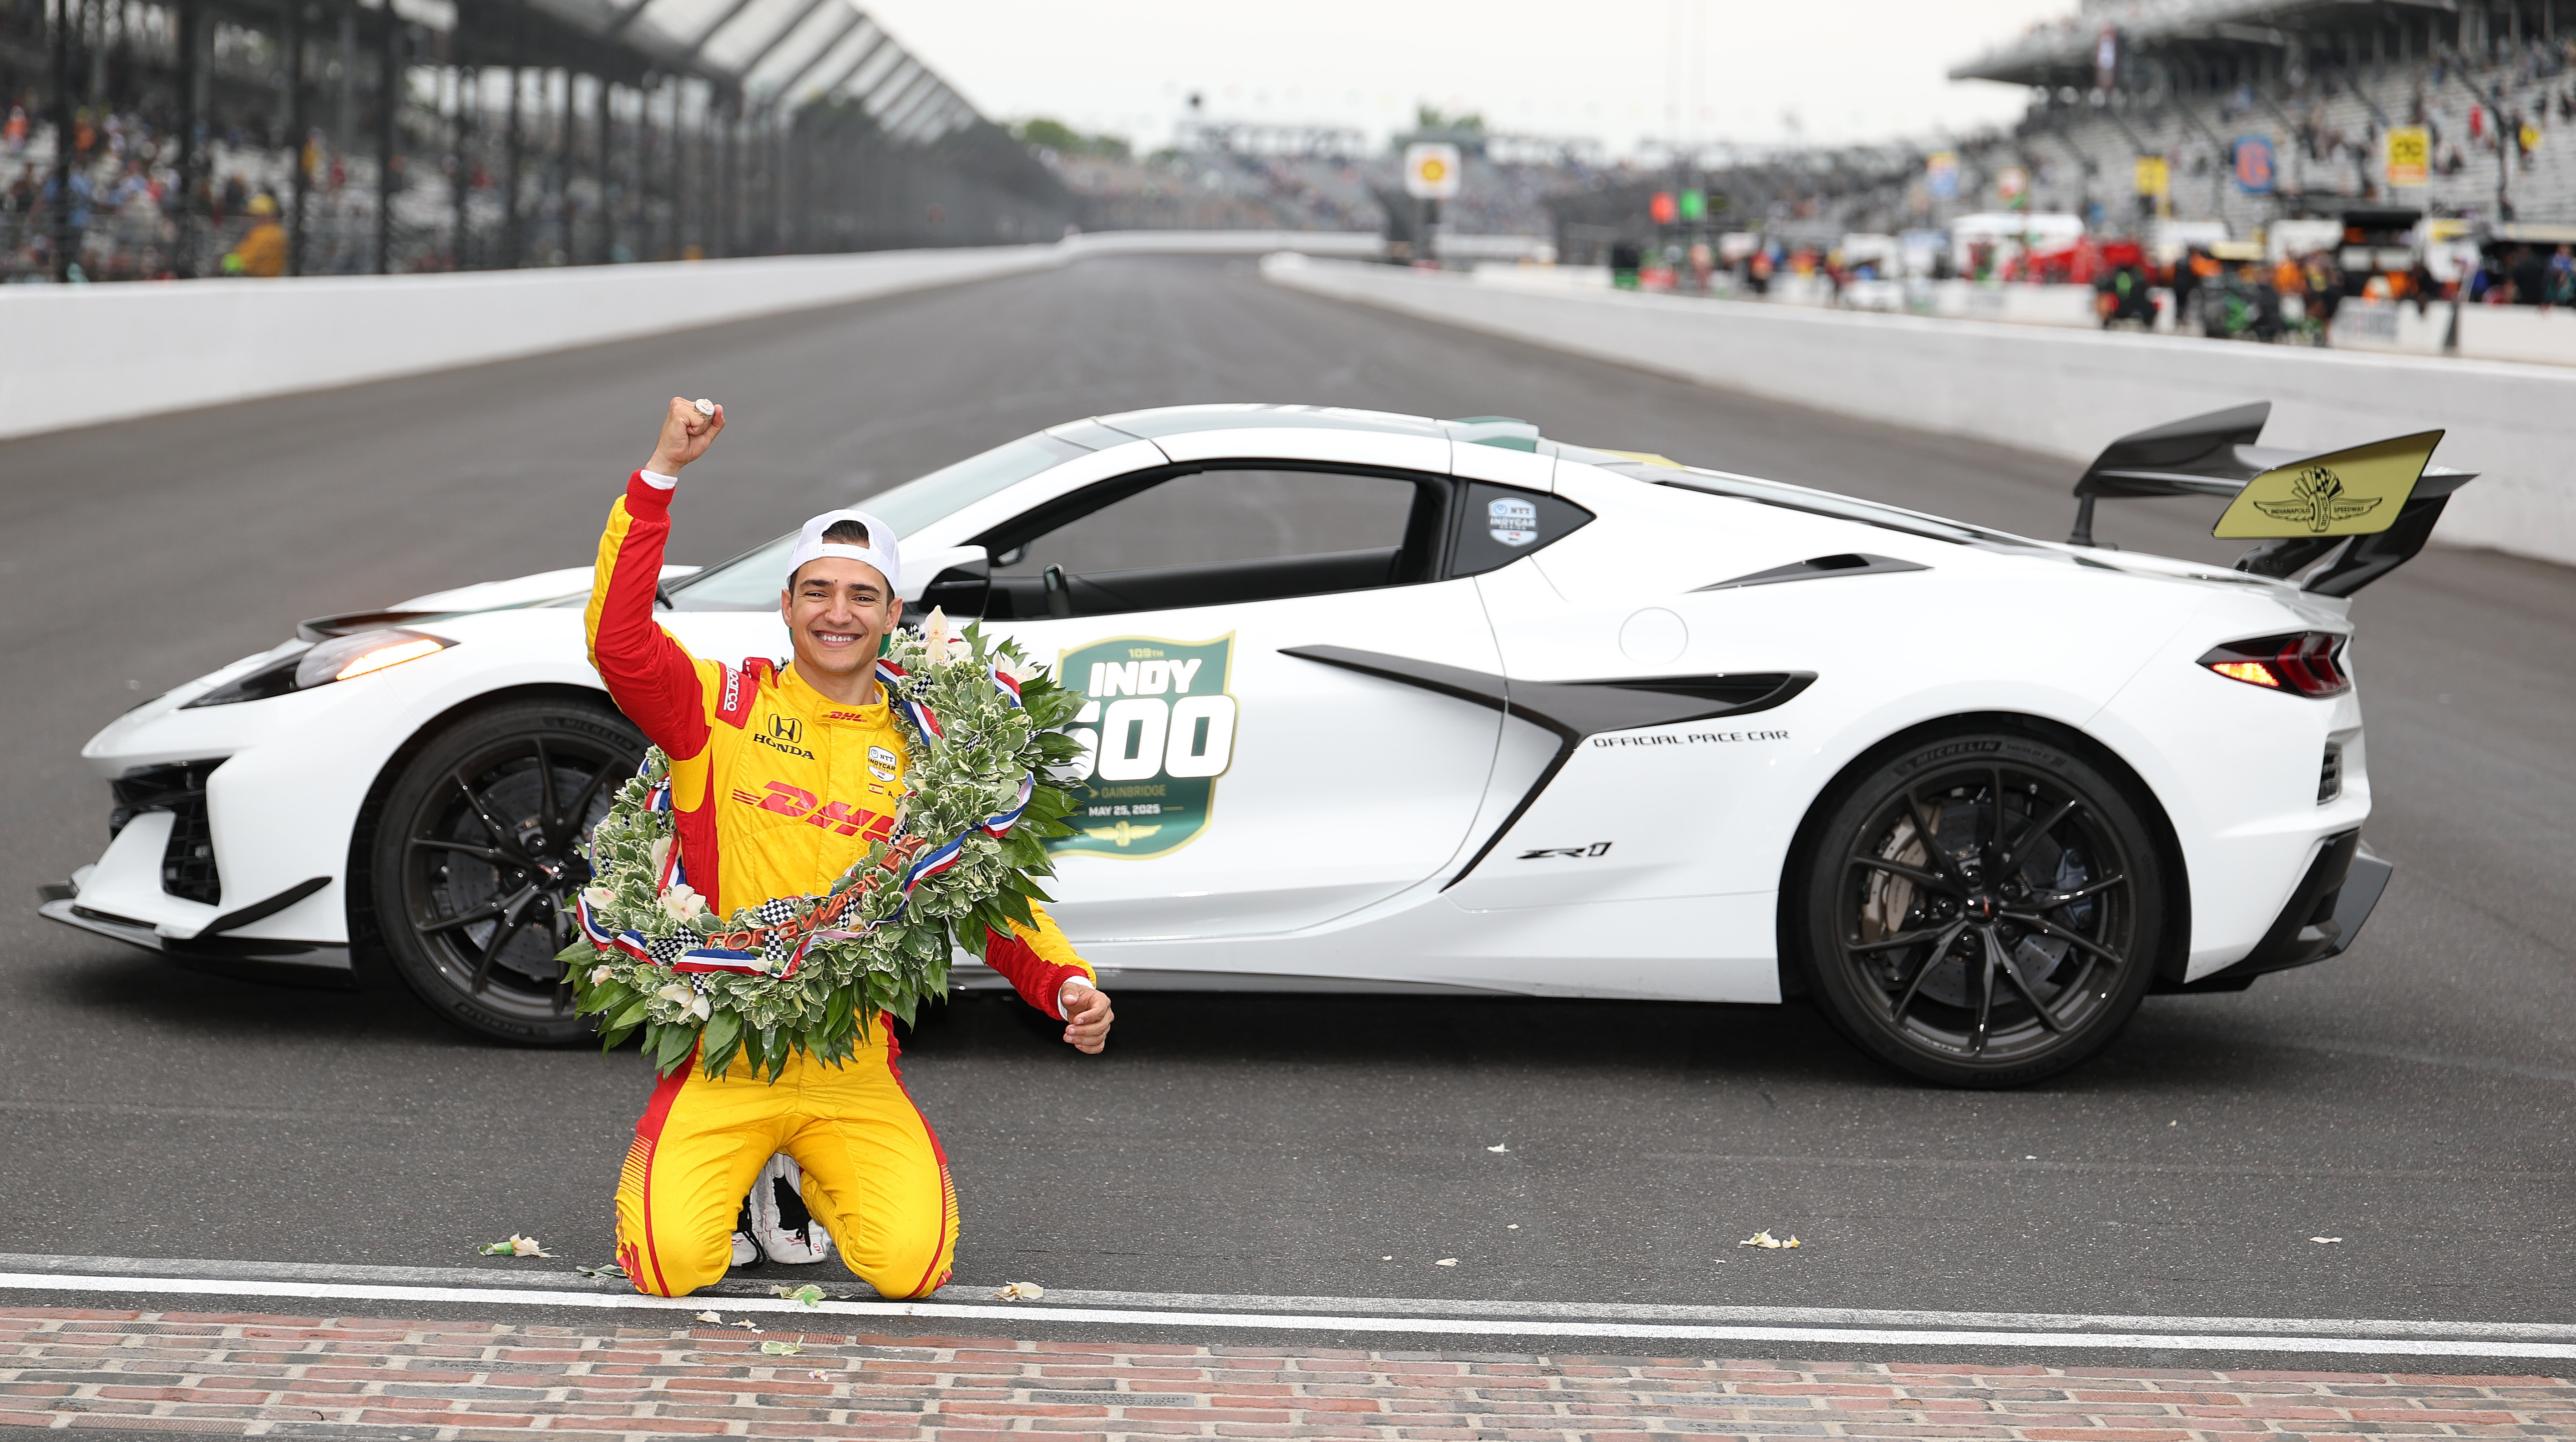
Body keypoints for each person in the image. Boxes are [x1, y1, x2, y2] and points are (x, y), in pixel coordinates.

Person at [587, 397, 1116, 1300]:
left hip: (851, 1062)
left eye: (861, 594)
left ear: (892, 612)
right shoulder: (720, 709)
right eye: (819, 591)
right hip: (729, 1054)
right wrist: (659, 479)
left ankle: (792, 1177)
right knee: (672, 1268)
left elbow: (978, 897)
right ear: (786, 603)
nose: (839, 613)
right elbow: (621, 643)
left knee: (910, 1270)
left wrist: (1061, 981)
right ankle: (746, 1175)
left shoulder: (934, 745)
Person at [223, 193, 285, 276]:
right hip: (271, 280)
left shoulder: (263, 235)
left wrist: (227, 261)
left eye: (254, 216)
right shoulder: (278, 232)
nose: (252, 220)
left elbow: (246, 261)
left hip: (259, 283)